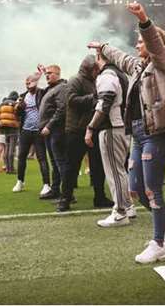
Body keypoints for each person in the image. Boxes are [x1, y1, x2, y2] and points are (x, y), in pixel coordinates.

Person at [89, 2, 165, 264]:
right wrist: (103, 48)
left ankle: (158, 243)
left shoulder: (164, 63)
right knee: (135, 188)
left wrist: (143, 19)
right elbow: (122, 58)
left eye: (140, 42)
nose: (137, 46)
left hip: (156, 133)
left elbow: (154, 43)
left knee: (152, 189)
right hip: (138, 134)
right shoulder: (139, 67)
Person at [57, 55, 113, 212]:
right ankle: (65, 198)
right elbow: (71, 100)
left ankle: (99, 197)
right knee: (71, 167)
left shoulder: (95, 81)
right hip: (76, 130)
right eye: (95, 68)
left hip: (93, 129)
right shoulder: (75, 80)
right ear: (90, 68)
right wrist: (94, 98)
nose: (98, 71)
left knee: (97, 166)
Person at [85, 51, 135, 226]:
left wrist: (90, 127)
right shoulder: (121, 74)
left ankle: (121, 212)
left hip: (112, 128)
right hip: (121, 126)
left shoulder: (107, 75)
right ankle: (127, 206)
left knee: (114, 171)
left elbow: (105, 101)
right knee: (119, 169)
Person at [13, 71, 51, 194]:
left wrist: (42, 73)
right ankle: (20, 181)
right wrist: (18, 108)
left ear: (36, 83)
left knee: (42, 158)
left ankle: (46, 184)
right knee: (21, 157)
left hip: (38, 131)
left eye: (31, 82)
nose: (28, 84)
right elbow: (17, 115)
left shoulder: (41, 93)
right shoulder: (22, 96)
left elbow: (50, 89)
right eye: (27, 83)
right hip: (25, 130)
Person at [38, 64, 68, 201]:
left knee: (60, 162)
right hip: (50, 131)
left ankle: (67, 194)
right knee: (55, 163)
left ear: (58, 74)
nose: (47, 76)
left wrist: (49, 126)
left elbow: (61, 109)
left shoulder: (61, 88)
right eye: (46, 74)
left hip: (56, 130)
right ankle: (56, 190)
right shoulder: (51, 89)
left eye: (50, 73)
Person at [0, 91, 20, 173]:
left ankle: (7, 167)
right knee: (11, 150)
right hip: (13, 128)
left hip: (4, 129)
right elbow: (18, 115)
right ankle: (11, 169)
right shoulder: (15, 104)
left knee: (6, 148)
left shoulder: (2, 104)